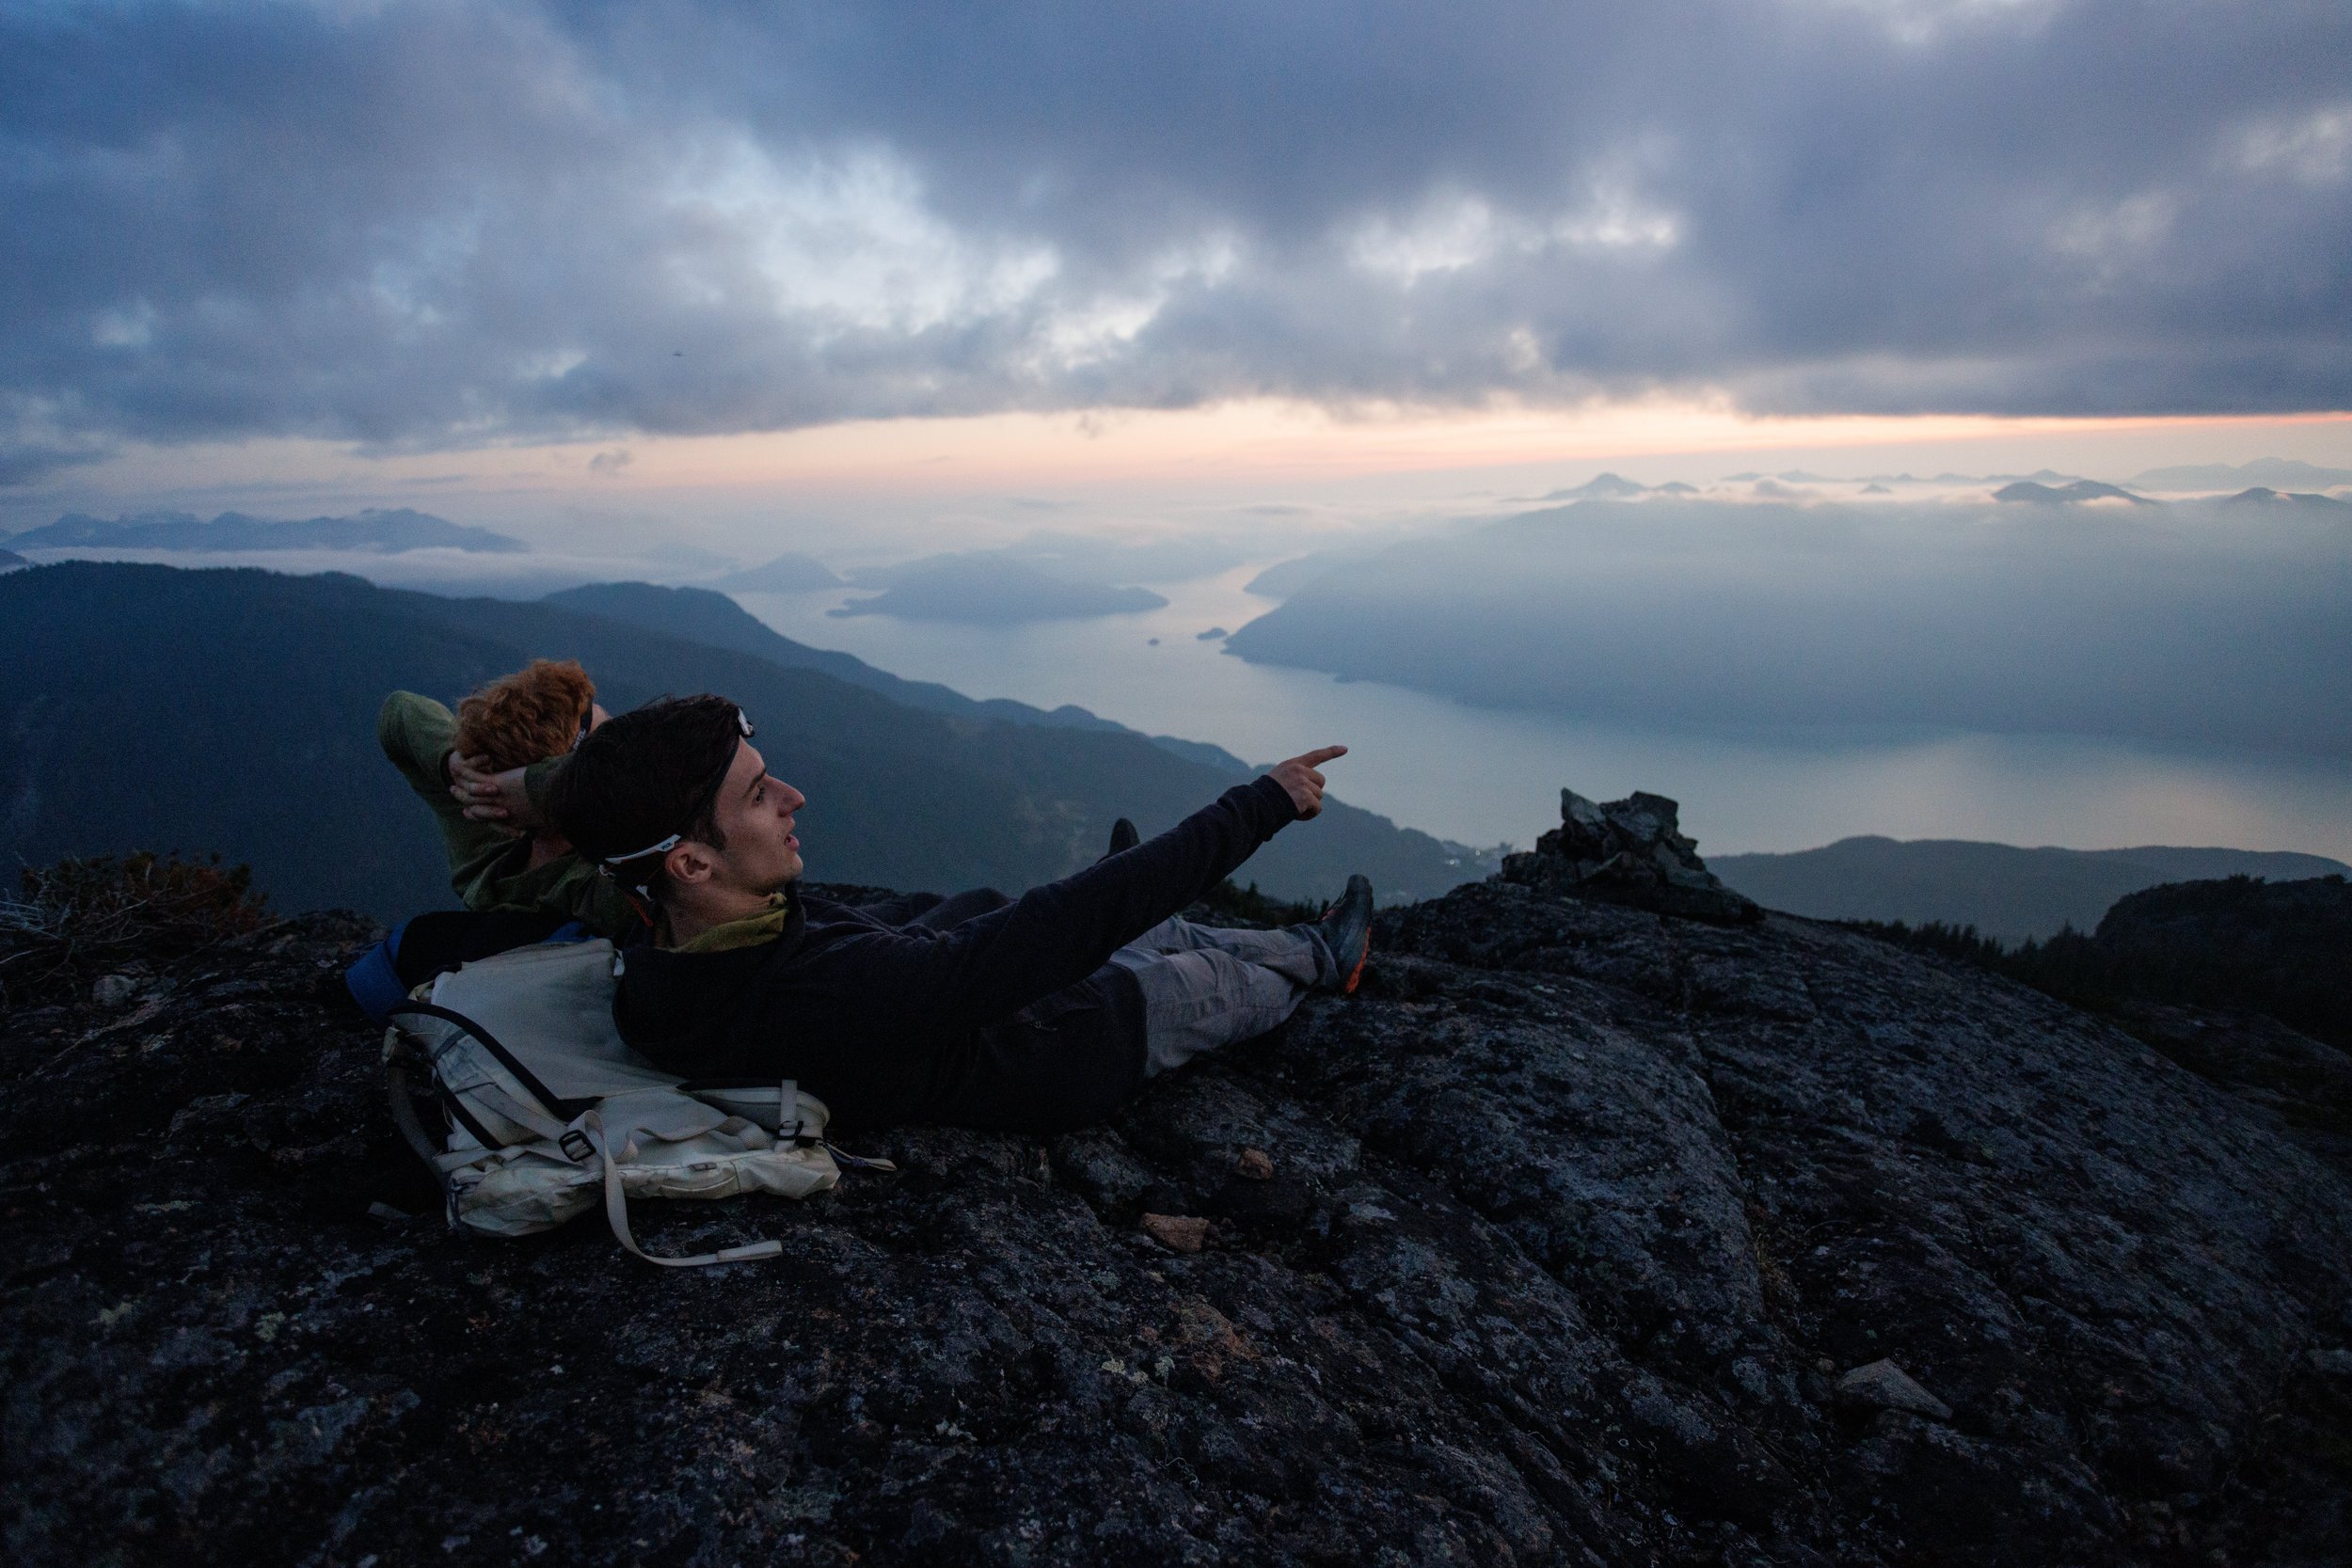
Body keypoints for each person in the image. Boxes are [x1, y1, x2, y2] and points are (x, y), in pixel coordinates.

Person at [546, 693, 1375, 1133]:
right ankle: (1319, 954)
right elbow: (1054, 935)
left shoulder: (663, 943)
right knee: (1213, 975)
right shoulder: (826, 992)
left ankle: (1189, 917)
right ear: (690, 861)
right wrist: (1257, 805)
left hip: (1001, 991)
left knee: (1156, 924)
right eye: (761, 795)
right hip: (1084, 1036)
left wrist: (530, 781)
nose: (794, 797)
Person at [375, 659, 641, 941]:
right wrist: (540, 787)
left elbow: (401, 710)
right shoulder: (592, 888)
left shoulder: (482, 825)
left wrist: (456, 762)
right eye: (602, 749)